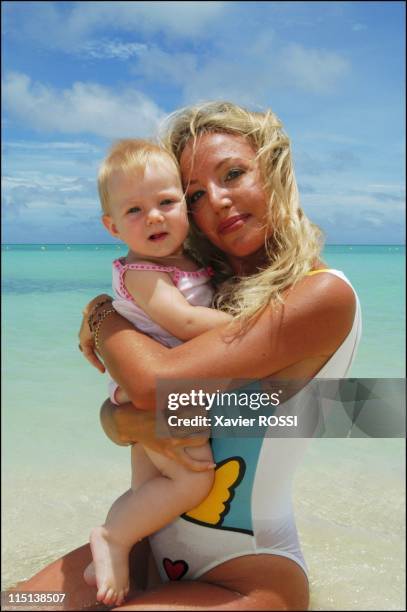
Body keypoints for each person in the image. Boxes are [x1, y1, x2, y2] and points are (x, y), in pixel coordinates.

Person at [23, 100, 360, 611]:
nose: (218, 201)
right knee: (23, 603)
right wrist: (123, 420)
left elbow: (154, 387)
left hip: (245, 576)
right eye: (197, 193)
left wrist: (100, 314)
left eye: (234, 174)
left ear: (275, 171)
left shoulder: (321, 294)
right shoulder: (213, 292)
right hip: (148, 549)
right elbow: (151, 411)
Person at [85, 139, 235, 607]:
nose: (154, 217)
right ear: (112, 226)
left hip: (151, 389)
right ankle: (113, 539)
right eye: (135, 210)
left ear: (183, 209)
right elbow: (186, 323)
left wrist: (96, 315)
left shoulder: (186, 262)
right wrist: (254, 321)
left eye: (167, 202)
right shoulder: (145, 271)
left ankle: (118, 550)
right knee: (191, 482)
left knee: (147, 488)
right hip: (156, 390)